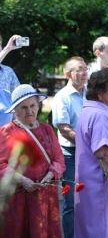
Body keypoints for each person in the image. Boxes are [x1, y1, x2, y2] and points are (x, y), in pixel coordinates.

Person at [0, 84, 66, 238]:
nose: (29, 111)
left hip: (45, 194)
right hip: (19, 196)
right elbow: (1, 164)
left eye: (32, 106)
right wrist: (23, 180)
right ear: (15, 110)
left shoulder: (47, 130)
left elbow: (59, 159)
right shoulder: (7, 132)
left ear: (38, 106)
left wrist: (49, 177)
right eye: (23, 107)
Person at [74, 68, 108, 237]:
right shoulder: (100, 115)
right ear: (99, 93)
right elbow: (103, 154)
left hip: (91, 185)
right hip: (102, 187)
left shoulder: (90, 111)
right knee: (102, 230)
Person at [52, 56, 88, 238]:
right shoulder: (61, 97)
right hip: (70, 154)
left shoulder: (90, 93)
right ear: (68, 74)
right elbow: (64, 130)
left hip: (91, 153)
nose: (85, 73)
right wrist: (88, 143)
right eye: (80, 70)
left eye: (85, 69)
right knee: (72, 203)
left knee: (89, 200)